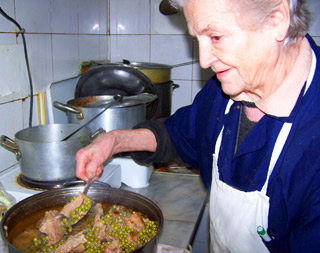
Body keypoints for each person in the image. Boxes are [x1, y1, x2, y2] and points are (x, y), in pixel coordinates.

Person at [76, 0, 320, 251]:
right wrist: (113, 141)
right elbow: (176, 135)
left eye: (216, 36)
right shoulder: (225, 89)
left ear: (276, 20)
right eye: (197, 38)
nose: (204, 61)